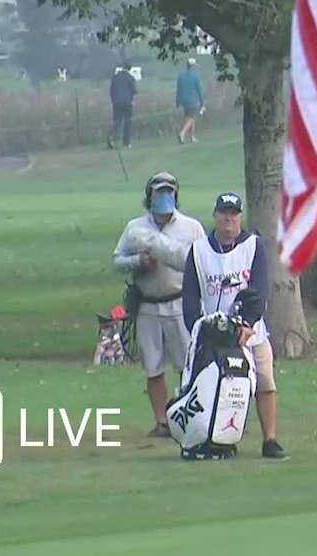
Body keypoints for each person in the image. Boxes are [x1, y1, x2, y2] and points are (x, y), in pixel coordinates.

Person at [183, 192, 287, 459]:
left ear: (240, 217)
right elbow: (191, 298)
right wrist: (199, 330)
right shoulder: (198, 251)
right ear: (215, 215)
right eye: (224, 213)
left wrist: (248, 323)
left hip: (250, 333)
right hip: (213, 334)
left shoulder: (253, 245)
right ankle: (216, 439)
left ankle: (270, 440)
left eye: (234, 214)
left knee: (265, 382)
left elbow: (259, 289)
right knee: (213, 389)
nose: (229, 219)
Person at [113, 171, 205, 438]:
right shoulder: (135, 229)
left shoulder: (191, 227)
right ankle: (162, 421)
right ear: (149, 196)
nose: (164, 196)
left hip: (179, 303)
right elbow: (117, 261)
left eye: (169, 191)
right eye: (159, 192)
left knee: (186, 365)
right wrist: (138, 262)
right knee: (153, 367)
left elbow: (201, 261)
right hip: (148, 306)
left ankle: (189, 417)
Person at [176, 57, 205, 144]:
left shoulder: (181, 76)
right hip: (193, 99)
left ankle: (192, 137)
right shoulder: (195, 76)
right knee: (191, 118)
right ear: (193, 66)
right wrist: (202, 103)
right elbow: (199, 90)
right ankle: (182, 133)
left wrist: (177, 102)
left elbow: (178, 89)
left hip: (184, 100)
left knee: (189, 117)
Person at [108, 62, 137, 149]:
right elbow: (134, 90)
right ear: (129, 69)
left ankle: (112, 140)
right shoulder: (130, 78)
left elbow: (111, 91)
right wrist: (132, 99)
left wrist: (113, 100)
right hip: (127, 103)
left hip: (116, 103)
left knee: (116, 122)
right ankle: (126, 143)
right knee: (127, 123)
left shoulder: (115, 77)